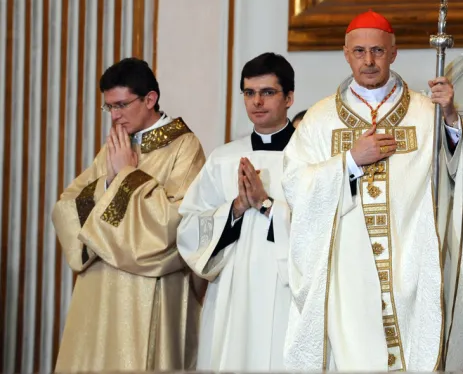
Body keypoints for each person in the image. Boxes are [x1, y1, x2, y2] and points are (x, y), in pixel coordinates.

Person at [281, 10, 463, 371]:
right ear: (346, 54)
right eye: (359, 51)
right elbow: (295, 184)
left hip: (411, 263)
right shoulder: (319, 119)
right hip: (347, 271)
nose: (368, 60)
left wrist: (451, 118)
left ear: (393, 53)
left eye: (377, 51)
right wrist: (350, 161)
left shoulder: (426, 112)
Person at [51, 58, 206, 371]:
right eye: (109, 107)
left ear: (150, 99)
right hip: (99, 287)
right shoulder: (117, 144)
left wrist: (126, 176)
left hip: (146, 290)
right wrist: (108, 182)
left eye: (121, 105)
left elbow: (174, 225)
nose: (114, 116)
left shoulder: (184, 146)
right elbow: (66, 206)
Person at [177, 52, 296, 370]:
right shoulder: (223, 158)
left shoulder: (310, 156)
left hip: (287, 289)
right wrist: (236, 208)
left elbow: (324, 226)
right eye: (249, 92)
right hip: (233, 289)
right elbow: (190, 227)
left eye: (267, 92)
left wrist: (266, 204)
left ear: (289, 98)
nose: (257, 101)